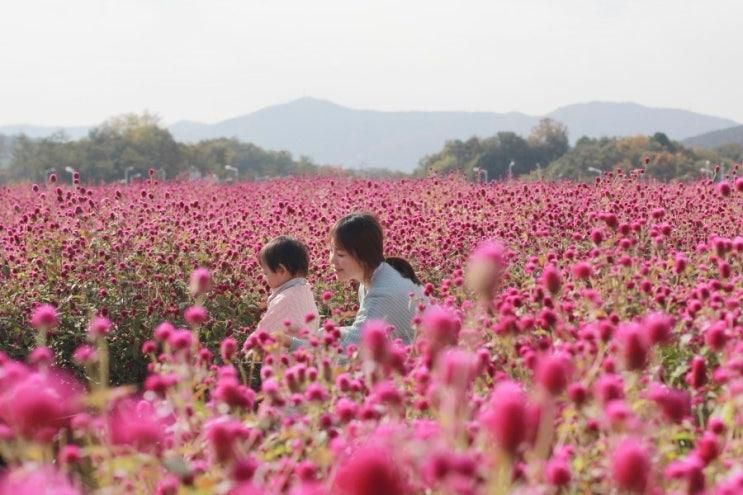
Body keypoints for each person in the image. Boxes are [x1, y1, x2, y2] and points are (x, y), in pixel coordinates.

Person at [328, 212, 424, 347]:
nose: (332, 260)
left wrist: (291, 343)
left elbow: (349, 353)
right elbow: (363, 332)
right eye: (331, 251)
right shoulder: (375, 278)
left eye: (340, 254)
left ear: (365, 256)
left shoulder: (383, 293)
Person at [256, 236, 320, 336]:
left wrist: (246, 349)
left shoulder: (284, 300)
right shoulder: (305, 290)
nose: (264, 277)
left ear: (281, 270)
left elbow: (263, 334)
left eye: (265, 272)